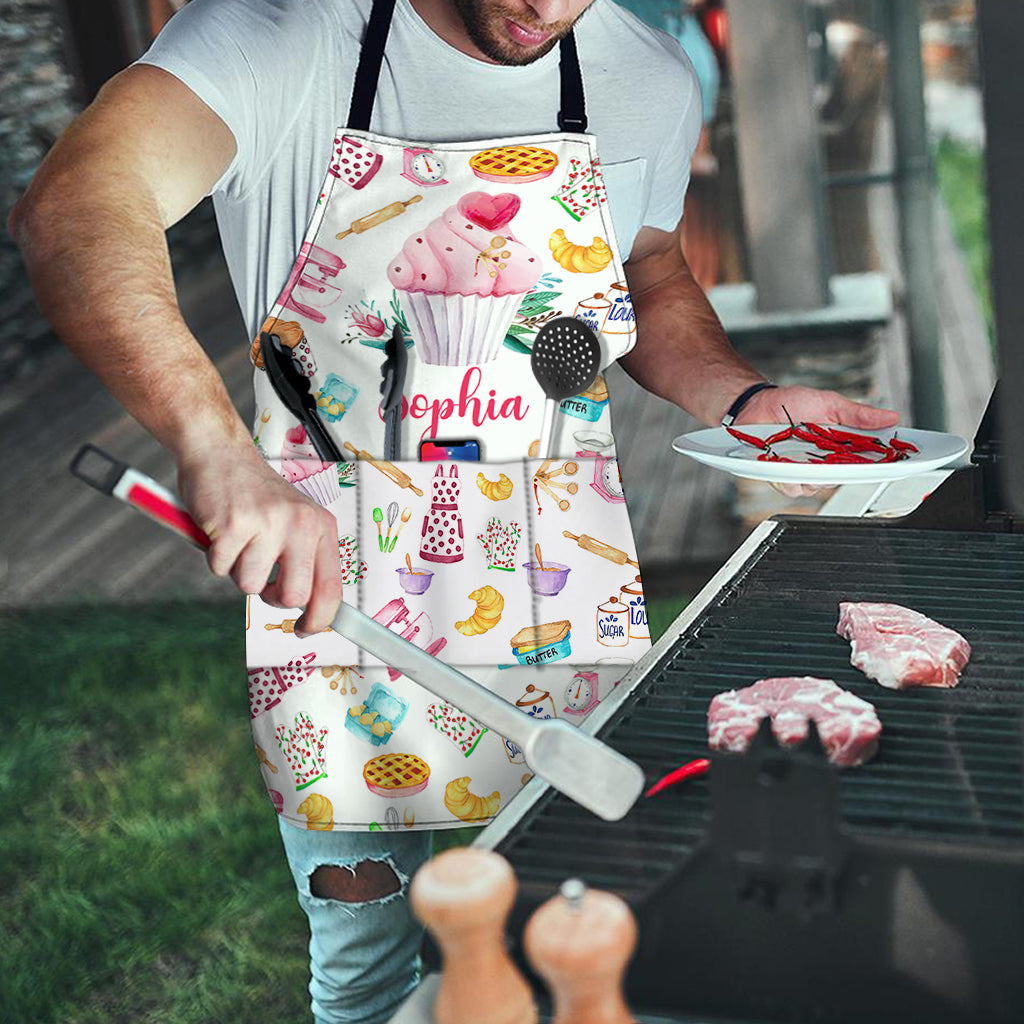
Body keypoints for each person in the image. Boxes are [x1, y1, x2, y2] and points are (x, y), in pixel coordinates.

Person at [8, 1, 898, 1020]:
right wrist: (216, 448)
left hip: (557, 592)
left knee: (589, 940)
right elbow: (77, 204)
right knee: (367, 968)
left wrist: (743, 398)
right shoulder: (281, 36)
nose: (548, 10)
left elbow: (645, 274)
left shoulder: (645, 77)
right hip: (339, 613)